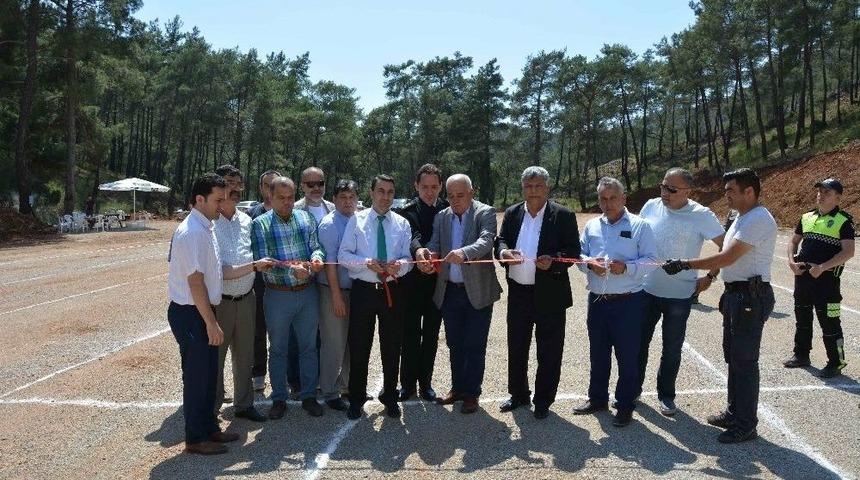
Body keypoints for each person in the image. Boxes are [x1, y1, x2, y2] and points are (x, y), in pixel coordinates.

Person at [663, 167, 777, 443]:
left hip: (751, 297)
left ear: (749, 192)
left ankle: (746, 424)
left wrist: (685, 264)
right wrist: (711, 277)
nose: (726, 195)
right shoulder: (740, 217)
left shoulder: (758, 219)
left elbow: (727, 257)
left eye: (731, 191)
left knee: (744, 362)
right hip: (737, 295)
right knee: (734, 358)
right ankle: (734, 413)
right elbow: (726, 254)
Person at [167, 173, 271, 455]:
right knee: (197, 378)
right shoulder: (191, 232)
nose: (222, 204)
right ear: (199, 199)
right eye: (217, 199)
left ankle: (210, 428)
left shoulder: (206, 227)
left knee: (208, 374)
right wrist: (211, 322)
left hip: (201, 310)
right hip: (191, 312)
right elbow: (195, 282)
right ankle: (196, 438)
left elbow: (217, 271)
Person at [637, 168, 725, 416]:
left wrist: (710, 276)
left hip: (680, 295)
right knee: (638, 344)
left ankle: (666, 396)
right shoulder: (651, 206)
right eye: (662, 186)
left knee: (672, 348)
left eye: (671, 189)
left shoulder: (701, 215)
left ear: (688, 191)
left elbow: (726, 247)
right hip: (646, 290)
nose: (664, 193)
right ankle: (632, 390)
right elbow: (636, 238)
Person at [495, 166, 581, 419]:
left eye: (538, 186)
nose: (533, 191)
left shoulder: (563, 215)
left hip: (551, 294)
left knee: (549, 350)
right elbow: (501, 240)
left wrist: (554, 261)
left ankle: (543, 400)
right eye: (528, 186)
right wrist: (504, 252)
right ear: (522, 188)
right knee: (517, 346)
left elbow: (573, 252)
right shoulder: (512, 213)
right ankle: (518, 394)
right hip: (518, 293)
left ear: (547, 188)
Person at [572, 177, 658, 427]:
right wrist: (589, 264)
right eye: (603, 199)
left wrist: (627, 268)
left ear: (623, 198)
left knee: (627, 356)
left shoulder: (640, 226)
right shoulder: (592, 226)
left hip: (628, 302)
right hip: (598, 301)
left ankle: (624, 405)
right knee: (598, 353)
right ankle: (597, 398)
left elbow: (652, 260)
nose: (607, 203)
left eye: (612, 198)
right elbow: (578, 255)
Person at [415, 174, 501, 414]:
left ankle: (472, 393)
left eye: (460, 195)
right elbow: (434, 243)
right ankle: (458, 389)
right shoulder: (442, 216)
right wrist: (427, 255)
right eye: (450, 196)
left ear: (472, 193)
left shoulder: (485, 213)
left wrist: (463, 252)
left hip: (478, 292)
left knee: (475, 344)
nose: (454, 200)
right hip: (449, 291)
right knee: (454, 343)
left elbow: (486, 241)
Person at [251, 176, 326, 419]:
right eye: (281, 198)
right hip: (277, 295)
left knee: (308, 347)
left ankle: (309, 396)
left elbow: (316, 246)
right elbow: (264, 262)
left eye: (290, 197)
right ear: (270, 197)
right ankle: (279, 398)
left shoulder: (306, 218)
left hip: (307, 293)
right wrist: (291, 270)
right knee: (278, 349)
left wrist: (316, 258)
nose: (286, 202)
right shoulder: (260, 224)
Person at [338, 174, 413, 419]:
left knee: (392, 347)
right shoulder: (356, 220)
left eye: (390, 192)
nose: (385, 197)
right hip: (364, 291)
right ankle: (356, 398)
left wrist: (399, 266)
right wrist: (366, 262)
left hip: (392, 292)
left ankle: (390, 396)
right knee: (359, 346)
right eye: (381, 191)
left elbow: (408, 259)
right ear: (371, 193)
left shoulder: (402, 223)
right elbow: (343, 256)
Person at [211, 165, 268, 423]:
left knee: (245, 356)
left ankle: (244, 404)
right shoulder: (210, 222)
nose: (234, 188)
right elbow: (218, 271)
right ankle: (211, 409)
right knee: (215, 358)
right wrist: (255, 266)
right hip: (219, 302)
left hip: (246, 298)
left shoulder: (247, 221)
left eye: (238, 184)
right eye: (228, 183)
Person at [784, 178, 854, 378]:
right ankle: (801, 355)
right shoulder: (806, 217)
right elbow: (793, 241)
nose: (821, 195)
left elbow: (848, 252)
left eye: (827, 193)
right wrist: (791, 261)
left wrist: (823, 267)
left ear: (838, 198)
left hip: (827, 283)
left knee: (830, 323)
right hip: (803, 278)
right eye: (820, 192)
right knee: (802, 319)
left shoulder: (843, 221)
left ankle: (836, 362)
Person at [395, 164, 448, 402]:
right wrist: (419, 252)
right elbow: (412, 236)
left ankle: (425, 383)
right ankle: (407, 384)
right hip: (411, 283)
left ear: (441, 186)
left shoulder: (447, 210)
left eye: (434, 187)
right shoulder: (406, 212)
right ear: (416, 186)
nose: (429, 192)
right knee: (409, 334)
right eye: (425, 187)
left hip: (438, 283)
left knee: (431, 334)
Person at [317, 180, 360, 411]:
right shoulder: (329, 224)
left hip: (356, 290)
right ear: (334, 199)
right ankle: (330, 391)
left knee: (352, 342)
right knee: (334, 342)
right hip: (334, 290)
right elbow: (330, 264)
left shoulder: (358, 219)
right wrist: (336, 296)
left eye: (352, 197)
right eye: (343, 197)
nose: (348, 202)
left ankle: (347, 386)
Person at [249, 170, 281, 392]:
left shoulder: (290, 212)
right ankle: (258, 373)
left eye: (274, 186)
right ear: (261, 189)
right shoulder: (251, 215)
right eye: (267, 186)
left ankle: (287, 374)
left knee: (283, 331)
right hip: (258, 282)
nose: (270, 190)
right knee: (258, 329)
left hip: (284, 282)